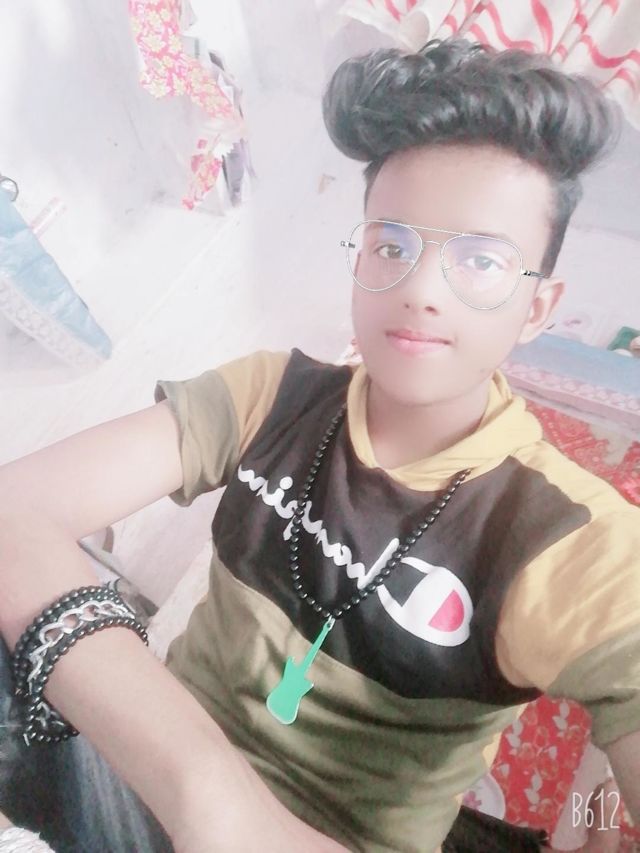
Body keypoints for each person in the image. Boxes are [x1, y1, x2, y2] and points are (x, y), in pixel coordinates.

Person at [0, 37, 638, 853]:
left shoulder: (567, 538)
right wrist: (216, 801)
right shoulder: (273, 395)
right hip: (147, 781)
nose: (420, 289)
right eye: (392, 245)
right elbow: (14, 511)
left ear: (538, 308)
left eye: (481, 261)